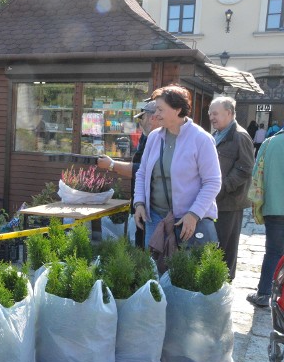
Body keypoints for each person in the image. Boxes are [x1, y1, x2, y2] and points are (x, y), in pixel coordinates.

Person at [133, 84, 221, 248]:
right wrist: (139, 203)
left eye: (160, 110)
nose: (155, 115)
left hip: (186, 221)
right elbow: (142, 173)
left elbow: (212, 182)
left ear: (177, 109)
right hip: (155, 219)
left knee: (184, 272)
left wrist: (194, 214)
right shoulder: (154, 137)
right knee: (155, 270)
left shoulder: (201, 139)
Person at [97, 99, 160, 248]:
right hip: (141, 204)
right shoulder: (147, 137)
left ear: (152, 117)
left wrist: (112, 165)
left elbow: (142, 170)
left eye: (142, 117)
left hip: (152, 206)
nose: (140, 122)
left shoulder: (159, 140)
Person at [209, 96, 254, 280]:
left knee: (226, 248)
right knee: (214, 244)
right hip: (214, 201)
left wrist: (224, 186)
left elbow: (245, 168)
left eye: (215, 113)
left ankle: (225, 283)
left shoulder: (240, 136)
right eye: (210, 113)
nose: (211, 117)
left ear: (229, 113)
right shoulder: (215, 135)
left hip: (229, 202)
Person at [247, 127, 284, 307]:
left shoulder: (270, 144)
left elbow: (256, 176)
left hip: (275, 207)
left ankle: (264, 294)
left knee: (273, 253)